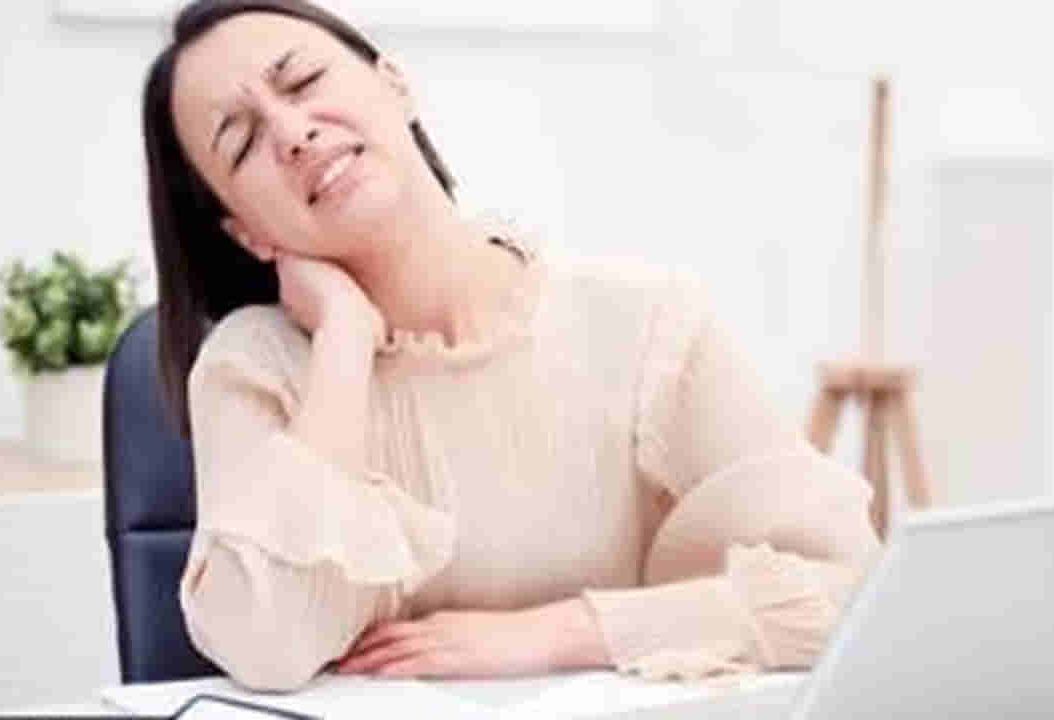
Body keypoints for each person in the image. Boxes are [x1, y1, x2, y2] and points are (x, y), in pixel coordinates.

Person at [142, 0, 881, 693]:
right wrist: (344, 341)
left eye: (303, 81)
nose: (293, 133)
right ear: (246, 232)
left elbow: (852, 592)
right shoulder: (251, 366)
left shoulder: (645, 321)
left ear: (394, 83)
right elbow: (266, 645)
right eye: (242, 141)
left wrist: (564, 633)